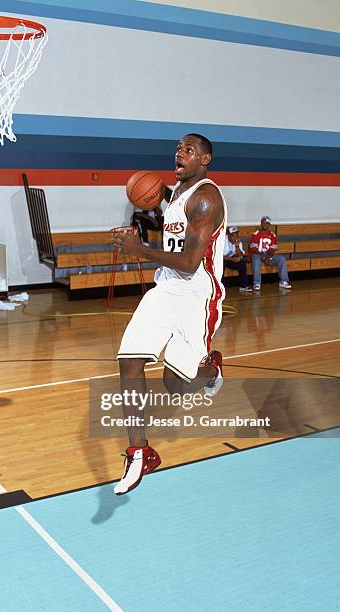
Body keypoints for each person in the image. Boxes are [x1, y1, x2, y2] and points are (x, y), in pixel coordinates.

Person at [112, 133, 226, 495]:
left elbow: (192, 264)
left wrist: (139, 248)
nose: (180, 152)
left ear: (204, 160)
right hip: (166, 289)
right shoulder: (173, 191)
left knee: (174, 385)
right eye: (178, 147)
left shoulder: (206, 199)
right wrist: (148, 204)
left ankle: (210, 371)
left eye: (189, 150)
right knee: (129, 361)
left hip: (197, 295)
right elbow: (160, 199)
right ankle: (139, 451)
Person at [250, 216, 291, 291]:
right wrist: (263, 257)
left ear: (269, 225)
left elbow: (272, 249)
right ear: (261, 224)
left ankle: (283, 281)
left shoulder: (273, 235)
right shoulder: (255, 234)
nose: (265, 224)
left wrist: (269, 257)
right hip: (258, 255)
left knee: (281, 258)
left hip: (268, 255)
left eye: (267, 223)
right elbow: (254, 249)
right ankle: (257, 282)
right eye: (264, 223)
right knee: (255, 259)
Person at [223, 226, 252, 292]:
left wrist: (237, 246)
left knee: (241, 263)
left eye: (236, 235)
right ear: (228, 236)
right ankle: (220, 286)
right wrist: (232, 259)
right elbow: (219, 256)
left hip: (231, 259)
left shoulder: (238, 241)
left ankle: (243, 286)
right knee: (221, 264)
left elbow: (241, 255)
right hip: (223, 259)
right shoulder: (223, 241)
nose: (235, 237)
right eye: (233, 236)